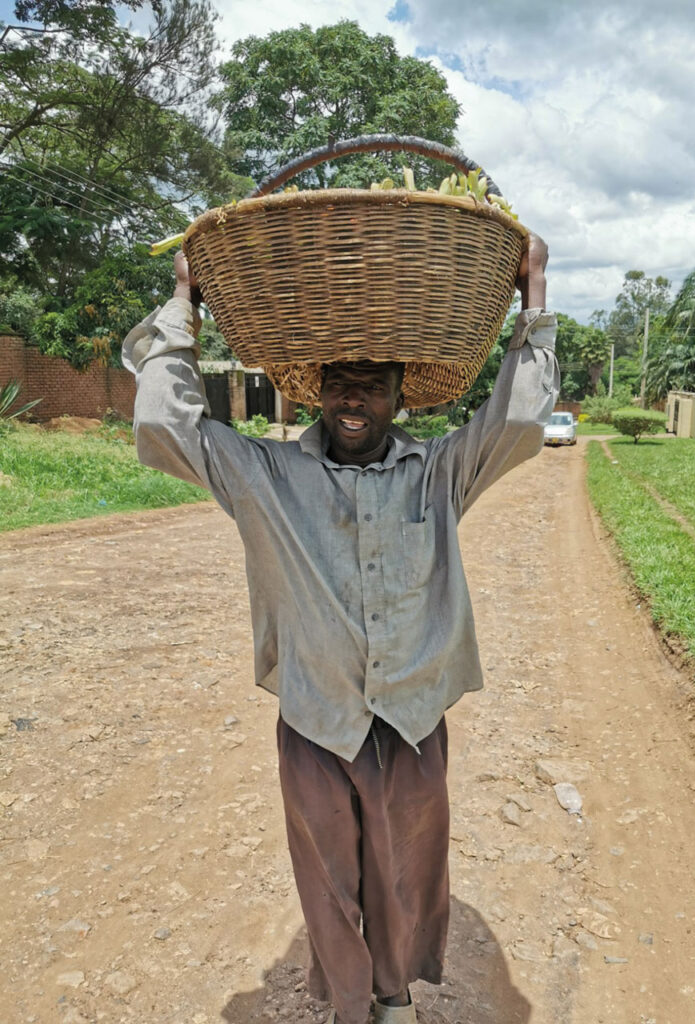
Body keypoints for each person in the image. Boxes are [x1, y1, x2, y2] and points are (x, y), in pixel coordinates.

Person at [122, 233, 557, 1024]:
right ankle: (351, 1006)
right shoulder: (268, 477)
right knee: (327, 876)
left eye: (373, 385)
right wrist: (182, 308)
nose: (353, 399)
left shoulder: (439, 473)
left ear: (400, 397)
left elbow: (521, 421)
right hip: (317, 717)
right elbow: (163, 426)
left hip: (411, 719)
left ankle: (393, 996)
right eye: (340, 384)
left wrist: (534, 293)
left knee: (402, 873)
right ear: (318, 393)